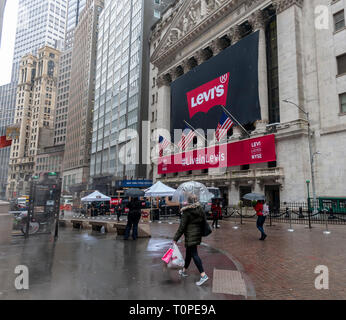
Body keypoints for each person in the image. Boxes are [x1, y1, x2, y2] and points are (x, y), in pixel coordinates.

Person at [173, 195, 209, 286]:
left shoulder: (187, 211)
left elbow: (182, 227)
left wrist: (175, 238)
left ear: (188, 201)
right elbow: (203, 221)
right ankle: (184, 271)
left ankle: (203, 275)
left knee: (194, 254)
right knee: (189, 254)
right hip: (197, 234)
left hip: (190, 235)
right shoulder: (200, 209)